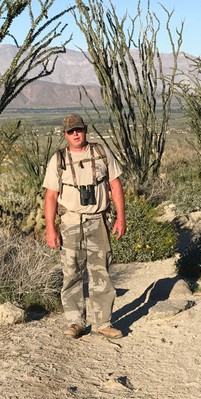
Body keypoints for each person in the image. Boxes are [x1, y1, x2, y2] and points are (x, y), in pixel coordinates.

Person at [42, 114, 126, 340]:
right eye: (71, 131)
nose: (75, 134)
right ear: (65, 135)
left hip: (97, 220)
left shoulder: (101, 153)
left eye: (78, 129)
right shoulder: (57, 159)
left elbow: (115, 184)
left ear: (85, 130)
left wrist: (121, 217)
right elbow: (50, 196)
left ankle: (103, 322)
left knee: (101, 272)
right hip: (70, 222)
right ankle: (75, 321)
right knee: (71, 273)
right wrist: (50, 227)